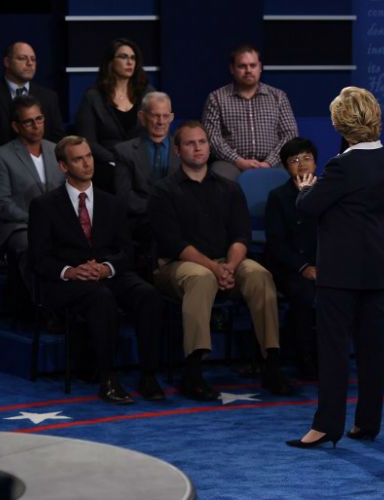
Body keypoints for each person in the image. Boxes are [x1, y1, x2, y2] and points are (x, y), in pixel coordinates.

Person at [287, 87, 384, 448]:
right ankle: (367, 423)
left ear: (341, 123)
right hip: (377, 264)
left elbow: (308, 208)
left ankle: (327, 425)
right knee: (372, 347)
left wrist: (306, 188)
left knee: (334, 348)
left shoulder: (341, 166)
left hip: (341, 270)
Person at [149, 121, 293, 401]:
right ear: (177, 151)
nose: (198, 147)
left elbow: (241, 235)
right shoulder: (163, 191)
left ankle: (272, 364)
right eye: (190, 143)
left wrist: (228, 266)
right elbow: (175, 245)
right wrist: (215, 269)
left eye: (202, 142)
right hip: (177, 265)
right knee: (200, 278)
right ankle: (193, 372)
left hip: (225, 262)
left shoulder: (229, 188)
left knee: (259, 274)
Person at [28, 136, 165, 404]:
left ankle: (149, 376)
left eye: (89, 156)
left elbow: (127, 251)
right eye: (78, 159)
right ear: (64, 166)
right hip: (67, 283)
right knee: (100, 298)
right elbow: (39, 259)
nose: (87, 163)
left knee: (148, 295)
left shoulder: (112, 203)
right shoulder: (44, 206)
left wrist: (106, 267)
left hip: (108, 274)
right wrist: (71, 271)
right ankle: (108, 379)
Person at [0, 41, 65, 264]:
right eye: (22, 58)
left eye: (33, 59)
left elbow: (58, 142)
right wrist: (8, 170)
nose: (29, 63)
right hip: (2, 178)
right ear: (7, 62)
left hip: (44, 180)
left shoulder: (48, 97)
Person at [0, 95, 65, 279]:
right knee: (31, 246)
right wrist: (36, 220)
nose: (36, 126)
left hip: (57, 224)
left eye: (39, 119)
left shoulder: (57, 150)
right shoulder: (0, 157)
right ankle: (38, 302)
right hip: (20, 226)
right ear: (16, 127)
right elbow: (0, 203)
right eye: (29, 122)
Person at [202, 43, 298, 181]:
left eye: (253, 65)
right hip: (231, 164)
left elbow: (290, 134)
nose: (248, 70)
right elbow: (212, 138)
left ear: (260, 68)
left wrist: (269, 162)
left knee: (292, 173)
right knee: (219, 175)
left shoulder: (278, 96)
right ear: (232, 69)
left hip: (274, 162)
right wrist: (239, 161)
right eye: (242, 66)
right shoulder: (216, 98)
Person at [264, 137, 319, 379]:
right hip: (291, 267)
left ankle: (333, 357)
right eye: (295, 160)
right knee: (305, 294)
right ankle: (305, 359)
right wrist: (304, 266)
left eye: (307, 158)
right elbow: (277, 243)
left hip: (325, 265)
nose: (302, 165)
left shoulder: (327, 193)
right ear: (286, 167)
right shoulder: (278, 197)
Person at [75, 38, 151, 193]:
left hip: (142, 160)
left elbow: (157, 131)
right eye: (123, 57)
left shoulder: (147, 94)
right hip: (107, 162)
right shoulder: (93, 97)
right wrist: (116, 159)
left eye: (133, 58)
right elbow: (87, 140)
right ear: (110, 62)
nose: (129, 62)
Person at [114, 91, 178, 269]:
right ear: (142, 117)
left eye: (166, 116)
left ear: (172, 118)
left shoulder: (183, 149)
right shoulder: (124, 151)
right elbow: (124, 197)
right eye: (155, 116)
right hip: (140, 220)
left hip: (178, 219)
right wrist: (158, 209)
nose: (161, 121)